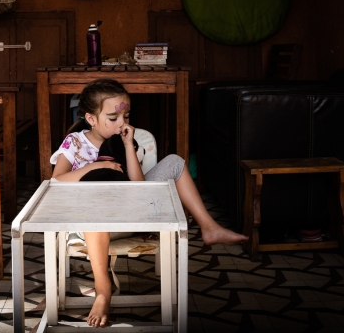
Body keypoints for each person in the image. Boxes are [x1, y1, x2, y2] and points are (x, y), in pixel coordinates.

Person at [50, 78, 248, 328]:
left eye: (126, 116)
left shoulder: (127, 142)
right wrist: (96, 166)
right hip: (92, 225)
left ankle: (209, 227)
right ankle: (103, 290)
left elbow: (138, 186)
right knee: (96, 205)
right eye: (113, 118)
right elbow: (56, 181)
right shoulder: (75, 143)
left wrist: (128, 147)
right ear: (91, 118)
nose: (122, 123)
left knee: (175, 161)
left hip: (130, 216)